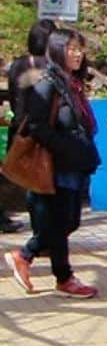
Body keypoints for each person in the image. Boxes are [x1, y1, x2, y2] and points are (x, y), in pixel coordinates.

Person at [5, 29, 101, 298]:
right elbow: (35, 124)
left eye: (79, 48)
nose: (77, 53)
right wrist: (64, 146)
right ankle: (63, 276)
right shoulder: (48, 81)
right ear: (57, 50)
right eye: (71, 48)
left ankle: (26, 255)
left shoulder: (72, 83)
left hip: (75, 161)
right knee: (61, 221)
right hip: (57, 163)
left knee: (67, 221)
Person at [1, 18, 55, 235]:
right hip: (46, 130)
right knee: (46, 180)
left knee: (29, 182)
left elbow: (15, 96)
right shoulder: (51, 67)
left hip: (20, 128)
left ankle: (38, 224)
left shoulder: (18, 65)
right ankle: (44, 228)